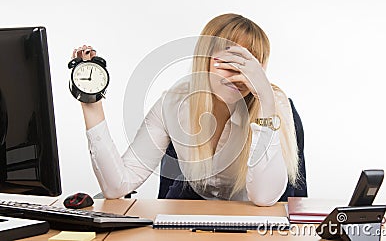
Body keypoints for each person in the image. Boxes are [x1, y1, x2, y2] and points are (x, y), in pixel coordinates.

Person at [74, 13, 303, 206]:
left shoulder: (275, 104)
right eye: (230, 59)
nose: (239, 74)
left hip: (253, 222)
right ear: (203, 58)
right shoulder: (174, 103)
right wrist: (91, 103)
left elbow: (264, 198)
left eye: (250, 63)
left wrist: (265, 100)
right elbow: (117, 185)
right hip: (188, 216)